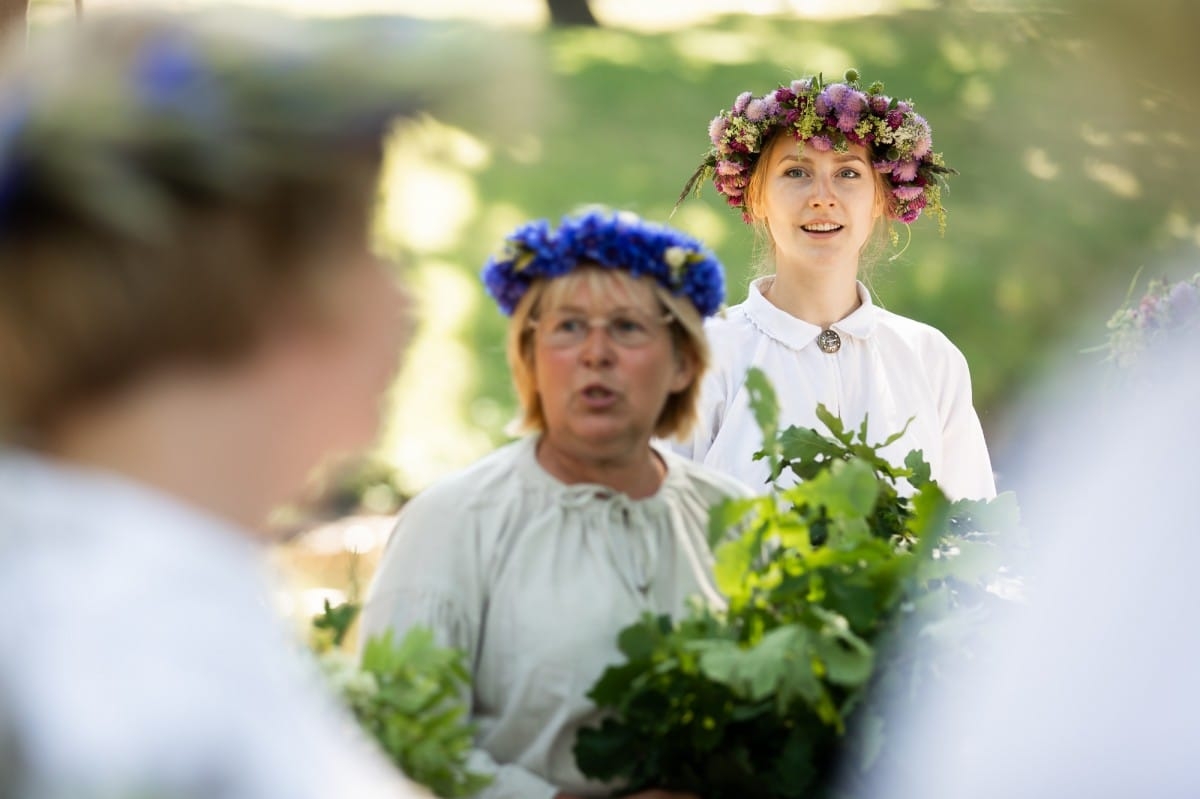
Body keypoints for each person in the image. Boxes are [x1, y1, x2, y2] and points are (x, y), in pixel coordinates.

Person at [0, 10, 437, 799]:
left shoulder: (142, 573)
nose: (398, 298)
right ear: (278, 298)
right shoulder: (130, 659)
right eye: (366, 242)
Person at [361, 208, 750, 799]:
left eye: (627, 327)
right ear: (531, 356)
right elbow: (398, 741)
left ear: (682, 363)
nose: (596, 353)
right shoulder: (454, 522)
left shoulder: (739, 520)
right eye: (568, 327)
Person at [673, 71, 995, 499]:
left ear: (882, 198)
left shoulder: (930, 359)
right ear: (756, 197)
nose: (822, 197)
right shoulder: (703, 361)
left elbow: (972, 533)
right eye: (795, 173)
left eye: (847, 174)